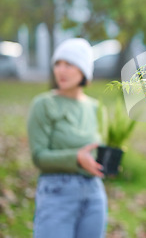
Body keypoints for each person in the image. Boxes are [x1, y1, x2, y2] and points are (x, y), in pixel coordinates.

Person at [27, 38, 107, 238]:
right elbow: (39, 157)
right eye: (57, 64)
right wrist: (76, 158)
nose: (61, 70)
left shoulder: (96, 108)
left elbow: (100, 149)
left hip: (94, 194)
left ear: (83, 70)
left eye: (69, 64)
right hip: (56, 192)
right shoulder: (43, 105)